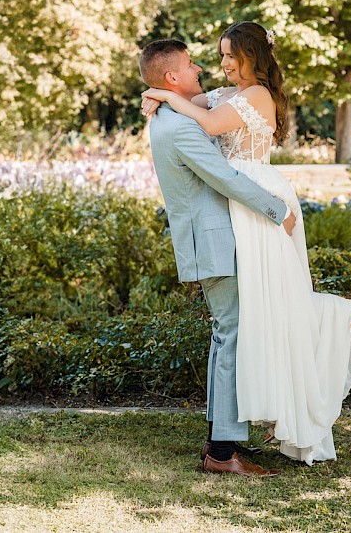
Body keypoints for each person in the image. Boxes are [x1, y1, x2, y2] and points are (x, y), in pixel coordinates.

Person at [141, 22, 351, 464]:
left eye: (230, 55)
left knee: (276, 307)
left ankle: (350, 312)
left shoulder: (257, 97)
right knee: (258, 319)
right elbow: (191, 101)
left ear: (254, 56)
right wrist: (155, 92)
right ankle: (227, 440)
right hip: (240, 211)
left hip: (260, 203)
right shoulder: (220, 95)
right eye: (217, 57)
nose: (221, 64)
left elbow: (206, 120)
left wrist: (166, 94)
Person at [139, 39, 296, 477]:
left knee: (226, 337)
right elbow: (226, 178)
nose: (200, 69)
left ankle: (219, 443)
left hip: (214, 241)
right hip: (215, 243)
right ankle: (223, 453)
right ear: (172, 78)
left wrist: (159, 95)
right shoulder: (182, 126)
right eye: (190, 66)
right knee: (231, 339)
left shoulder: (169, 115)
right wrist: (277, 210)